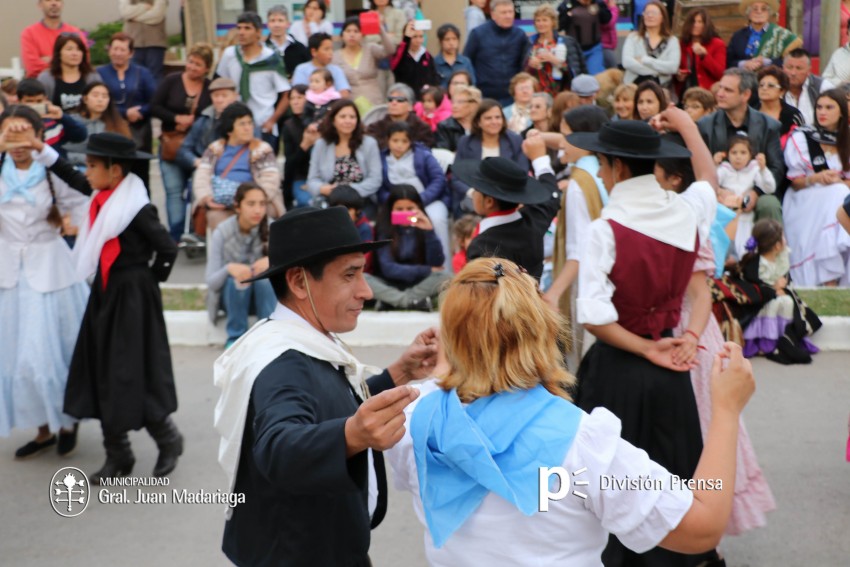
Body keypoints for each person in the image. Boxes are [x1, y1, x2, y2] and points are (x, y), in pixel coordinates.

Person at [386, 256, 757, 564]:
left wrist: (455, 362)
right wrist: (725, 410)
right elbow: (702, 526)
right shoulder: (584, 446)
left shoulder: (412, 417)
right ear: (544, 329)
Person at [214, 205, 438, 566]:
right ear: (300, 282)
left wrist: (398, 373)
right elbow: (278, 445)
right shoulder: (281, 362)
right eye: (350, 275)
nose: (365, 291)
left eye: (363, 274)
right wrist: (351, 435)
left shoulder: (306, 339)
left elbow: (328, 400)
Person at [569, 118, 720, 565]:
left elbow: (594, 317)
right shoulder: (688, 210)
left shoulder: (606, 228)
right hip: (672, 364)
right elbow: (709, 178)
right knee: (673, 479)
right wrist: (686, 124)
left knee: (607, 483)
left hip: (618, 369)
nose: (599, 172)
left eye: (600, 163)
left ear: (616, 167)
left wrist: (643, 347)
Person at [652, 107, 776, 536]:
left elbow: (701, 289)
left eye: (650, 171)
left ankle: (705, 530)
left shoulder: (687, 210)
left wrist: (687, 126)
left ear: (671, 179)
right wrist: (686, 125)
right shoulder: (665, 208)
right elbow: (707, 174)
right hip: (671, 334)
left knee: (703, 425)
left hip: (688, 332)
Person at [57, 133, 181, 484]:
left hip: (132, 294)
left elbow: (167, 249)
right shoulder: (102, 198)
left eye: (93, 165)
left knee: (129, 367)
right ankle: (119, 453)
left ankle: (168, 438)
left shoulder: (136, 207)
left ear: (115, 171)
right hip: (105, 292)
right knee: (99, 365)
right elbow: (71, 175)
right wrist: (41, 151)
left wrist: (148, 282)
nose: (87, 171)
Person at [0, 105, 89, 459]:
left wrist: (42, 150)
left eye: (24, 134)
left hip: (50, 271)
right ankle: (41, 429)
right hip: (9, 275)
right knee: (15, 358)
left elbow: (84, 195)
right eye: (10, 133)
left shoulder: (50, 171)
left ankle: (65, 421)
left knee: (46, 358)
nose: (17, 142)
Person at [454, 138, 561, 280]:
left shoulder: (482, 247)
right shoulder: (534, 219)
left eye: (477, 190)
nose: (473, 193)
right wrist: (539, 158)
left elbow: (490, 290)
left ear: (489, 201)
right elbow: (551, 196)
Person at [782, 89, 850, 286]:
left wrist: (838, 181)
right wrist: (818, 177)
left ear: (841, 112)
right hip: (804, 196)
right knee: (840, 195)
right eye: (819, 107)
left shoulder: (847, 138)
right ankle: (829, 278)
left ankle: (833, 275)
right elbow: (795, 181)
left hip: (838, 196)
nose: (822, 112)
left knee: (840, 193)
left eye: (829, 107)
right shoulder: (803, 137)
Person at [698, 69, 785, 221]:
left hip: (757, 190)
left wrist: (755, 193)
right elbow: (697, 168)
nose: (720, 94)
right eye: (720, 88)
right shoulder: (704, 126)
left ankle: (772, 244)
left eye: (728, 90)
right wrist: (718, 191)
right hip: (716, 190)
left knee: (769, 204)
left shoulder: (769, 126)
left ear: (745, 95)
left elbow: (777, 168)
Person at [151, 43, 212, 240]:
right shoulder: (171, 81)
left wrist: (194, 123)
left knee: (197, 190)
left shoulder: (210, 87)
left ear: (207, 69)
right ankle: (176, 235)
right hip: (171, 146)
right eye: (190, 61)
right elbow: (155, 107)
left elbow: (212, 114)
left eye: (198, 64)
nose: (192, 67)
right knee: (173, 191)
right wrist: (176, 119)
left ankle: (195, 232)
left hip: (197, 149)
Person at [738, 219, 822, 362]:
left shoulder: (781, 259)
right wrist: (773, 289)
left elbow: (786, 278)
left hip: (778, 295)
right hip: (760, 305)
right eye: (783, 237)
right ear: (777, 245)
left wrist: (782, 288)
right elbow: (753, 288)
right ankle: (767, 340)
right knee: (775, 303)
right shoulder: (756, 264)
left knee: (787, 302)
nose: (785, 240)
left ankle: (785, 336)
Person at [192, 102, 283, 234]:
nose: (248, 128)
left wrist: (249, 202)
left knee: (257, 216)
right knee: (218, 222)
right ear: (229, 129)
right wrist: (207, 198)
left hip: (258, 201)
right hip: (222, 204)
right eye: (242, 124)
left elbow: (271, 181)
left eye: (250, 123)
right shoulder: (215, 149)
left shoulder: (262, 149)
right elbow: (202, 177)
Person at [205, 183, 276, 347]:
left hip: (266, 299)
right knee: (236, 280)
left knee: (264, 279)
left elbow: (291, 275)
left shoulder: (274, 229)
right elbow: (211, 281)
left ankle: (268, 335)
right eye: (251, 204)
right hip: (231, 300)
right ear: (237, 206)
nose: (258, 210)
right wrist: (229, 269)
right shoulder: (222, 232)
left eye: (262, 204)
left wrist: (272, 263)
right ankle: (235, 338)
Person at [365, 185, 450, 310]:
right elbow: (388, 269)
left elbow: (437, 262)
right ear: (391, 209)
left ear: (419, 208)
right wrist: (427, 270)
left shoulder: (424, 226)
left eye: (410, 208)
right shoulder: (383, 228)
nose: (405, 212)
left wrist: (429, 232)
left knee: (447, 277)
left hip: (419, 283)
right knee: (363, 279)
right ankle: (410, 301)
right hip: (389, 283)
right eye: (399, 209)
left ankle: (392, 301)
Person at [216, 11, 292, 150]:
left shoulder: (271, 59)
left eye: (247, 28)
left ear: (258, 32)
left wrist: (272, 121)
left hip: (262, 124)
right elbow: (221, 84)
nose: (241, 32)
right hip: (234, 124)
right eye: (239, 28)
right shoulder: (230, 54)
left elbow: (286, 94)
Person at [379, 121, 450, 261]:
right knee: (385, 224)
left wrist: (421, 200)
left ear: (410, 142)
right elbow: (380, 187)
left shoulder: (423, 155)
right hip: (396, 204)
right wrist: (392, 203)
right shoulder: (381, 159)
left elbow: (438, 179)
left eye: (404, 141)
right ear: (388, 140)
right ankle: (392, 265)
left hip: (427, 200)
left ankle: (444, 265)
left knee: (437, 220)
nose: (399, 145)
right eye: (395, 140)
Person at [450, 99, 528, 216]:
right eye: (488, 118)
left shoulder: (514, 140)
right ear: (478, 122)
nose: (494, 122)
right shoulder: (465, 142)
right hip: (473, 198)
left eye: (498, 117)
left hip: (507, 198)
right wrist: (474, 195)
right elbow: (456, 178)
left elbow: (523, 172)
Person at [97, 32, 157, 175]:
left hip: (138, 131)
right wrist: (125, 112)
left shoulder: (142, 73)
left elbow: (155, 100)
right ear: (109, 50)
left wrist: (141, 112)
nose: (118, 53)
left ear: (131, 53)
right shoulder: (99, 73)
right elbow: (97, 101)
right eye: (115, 49)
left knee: (140, 176)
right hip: (110, 128)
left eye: (122, 50)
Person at [307, 99, 383, 207]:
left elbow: (375, 179)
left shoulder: (369, 144)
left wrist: (346, 192)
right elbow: (312, 180)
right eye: (343, 117)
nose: (348, 121)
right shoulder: (321, 144)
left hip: (361, 199)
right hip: (329, 200)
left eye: (352, 117)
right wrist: (323, 189)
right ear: (333, 120)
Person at [717, 134, 776, 258]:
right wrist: (715, 164)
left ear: (751, 155)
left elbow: (770, 187)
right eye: (734, 152)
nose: (738, 157)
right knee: (725, 246)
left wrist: (763, 169)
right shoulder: (724, 169)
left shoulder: (754, 170)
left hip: (746, 217)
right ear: (727, 154)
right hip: (727, 217)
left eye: (743, 153)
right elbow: (711, 183)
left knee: (745, 247)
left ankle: (743, 269)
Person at [463, 0, 531, 105]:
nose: (508, 16)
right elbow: (466, 62)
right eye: (504, 13)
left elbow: (524, 64)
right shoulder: (478, 34)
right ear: (493, 15)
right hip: (484, 96)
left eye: (510, 12)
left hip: (512, 97)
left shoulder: (520, 36)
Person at [175, 77, 241, 174]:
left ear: (235, 96)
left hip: (237, 170)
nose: (219, 100)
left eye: (224, 96)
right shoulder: (203, 120)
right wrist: (197, 162)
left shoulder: (245, 120)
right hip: (207, 169)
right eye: (216, 96)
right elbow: (184, 149)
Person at [332, 16, 397, 112]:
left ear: (363, 34)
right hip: (350, 106)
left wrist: (380, 31)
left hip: (374, 102)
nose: (352, 35)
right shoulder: (335, 57)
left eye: (356, 31)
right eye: (348, 31)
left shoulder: (370, 49)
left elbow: (390, 50)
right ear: (342, 34)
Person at [65, 82, 132, 168]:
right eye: (95, 95)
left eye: (104, 96)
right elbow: (65, 149)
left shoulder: (117, 124)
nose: (100, 100)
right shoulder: (72, 121)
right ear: (85, 99)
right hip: (75, 166)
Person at [16, 78, 87, 159]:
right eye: (30, 101)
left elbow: (80, 136)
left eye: (39, 101)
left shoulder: (55, 120)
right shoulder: (13, 122)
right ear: (19, 102)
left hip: (55, 167)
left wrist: (63, 117)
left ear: (45, 99)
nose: (35, 105)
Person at [727, 0, 801, 71]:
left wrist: (766, 62)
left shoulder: (781, 34)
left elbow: (789, 63)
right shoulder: (738, 36)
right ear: (748, 14)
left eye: (764, 9)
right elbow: (729, 62)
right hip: (743, 81)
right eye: (754, 9)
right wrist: (743, 64)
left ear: (769, 13)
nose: (759, 12)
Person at [36, 33, 102, 113]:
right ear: (59, 53)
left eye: (78, 49)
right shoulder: (46, 78)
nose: (75, 54)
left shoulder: (93, 77)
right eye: (69, 49)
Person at [20, 0, 86, 78]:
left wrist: (50, 60)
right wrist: (67, 63)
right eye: (48, 0)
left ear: (62, 4)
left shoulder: (75, 33)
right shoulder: (29, 33)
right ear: (40, 5)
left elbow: (84, 62)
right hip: (41, 87)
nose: (54, 3)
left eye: (58, 0)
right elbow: (33, 68)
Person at [621, 1, 680, 88]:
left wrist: (645, 60)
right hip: (633, 86)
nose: (650, 16)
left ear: (662, 17)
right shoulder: (633, 37)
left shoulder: (672, 41)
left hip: (661, 87)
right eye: (647, 13)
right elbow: (627, 62)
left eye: (654, 13)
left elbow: (672, 67)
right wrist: (656, 72)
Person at [675, 8, 726, 98]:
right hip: (685, 91)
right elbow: (676, 67)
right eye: (693, 22)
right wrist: (678, 75)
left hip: (707, 93)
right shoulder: (682, 43)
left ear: (706, 25)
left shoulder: (717, 43)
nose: (695, 25)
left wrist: (705, 56)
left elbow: (720, 73)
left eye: (700, 22)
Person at [366, 83, 435, 149]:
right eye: (390, 99)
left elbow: (424, 151)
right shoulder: (375, 128)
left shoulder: (422, 128)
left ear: (410, 106)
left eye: (400, 100)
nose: (394, 103)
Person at [281, 85, 318, 209]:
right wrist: (304, 145)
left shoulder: (319, 122)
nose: (295, 102)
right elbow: (290, 164)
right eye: (292, 98)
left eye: (300, 97)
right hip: (300, 177)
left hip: (322, 176)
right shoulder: (288, 126)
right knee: (306, 202)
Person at [557, 0, 613, 75]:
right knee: (575, 76)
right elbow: (559, 26)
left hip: (594, 48)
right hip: (573, 50)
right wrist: (568, 14)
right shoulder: (567, 4)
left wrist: (598, 8)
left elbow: (606, 20)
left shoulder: (598, 3)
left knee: (595, 75)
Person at [782, 49, 836, 126]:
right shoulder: (776, 88)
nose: (793, 73)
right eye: (789, 67)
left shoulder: (822, 87)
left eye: (799, 68)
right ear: (783, 68)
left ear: (809, 70)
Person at [119, 0, 168, 82]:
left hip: (155, 42)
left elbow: (157, 16)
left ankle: (156, 95)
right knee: (134, 77)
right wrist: (144, 7)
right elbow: (124, 12)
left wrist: (134, 16)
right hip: (133, 43)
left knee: (154, 76)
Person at [292, 33, 353, 98]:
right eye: (326, 49)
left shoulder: (336, 70)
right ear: (314, 52)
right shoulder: (301, 69)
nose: (331, 53)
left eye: (332, 49)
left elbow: (345, 93)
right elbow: (298, 93)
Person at [390, 21, 440, 97]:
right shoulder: (400, 53)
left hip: (423, 100)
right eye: (414, 37)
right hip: (404, 98)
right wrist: (406, 38)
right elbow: (395, 64)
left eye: (421, 36)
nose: (418, 40)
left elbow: (434, 79)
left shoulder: (427, 56)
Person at [528, 4, 569, 96]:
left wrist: (553, 59)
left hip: (558, 92)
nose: (541, 24)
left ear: (553, 22)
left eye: (544, 20)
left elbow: (571, 70)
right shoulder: (530, 43)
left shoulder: (562, 42)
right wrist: (530, 64)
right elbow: (523, 69)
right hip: (536, 92)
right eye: (538, 20)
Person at [265, 5, 310, 80]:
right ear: (268, 24)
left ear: (287, 24)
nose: (276, 25)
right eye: (272, 21)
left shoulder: (300, 48)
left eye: (280, 20)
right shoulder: (263, 49)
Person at [435, 85, 481, 152]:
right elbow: (443, 153)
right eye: (453, 102)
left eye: (460, 102)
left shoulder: (483, 125)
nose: (454, 106)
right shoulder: (444, 126)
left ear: (474, 105)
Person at [434, 24, 476, 89]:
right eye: (447, 39)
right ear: (440, 42)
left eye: (454, 39)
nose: (451, 43)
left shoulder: (465, 62)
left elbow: (472, 84)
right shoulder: (434, 63)